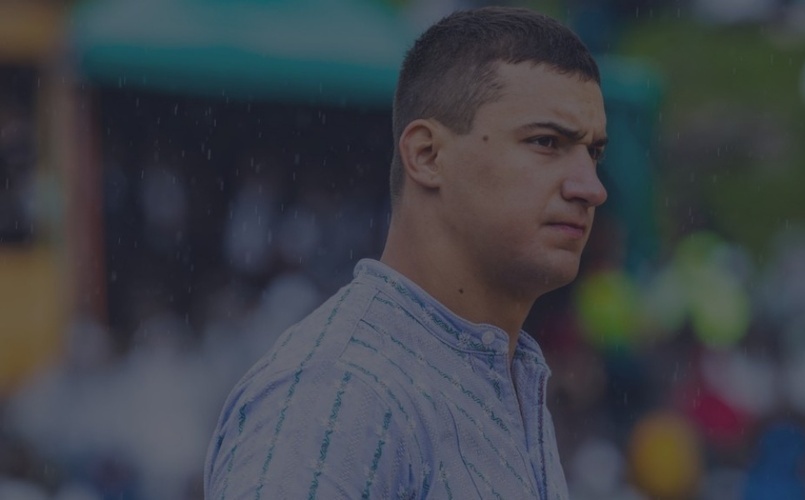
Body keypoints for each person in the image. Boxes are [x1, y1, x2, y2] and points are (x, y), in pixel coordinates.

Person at [204, 6, 608, 498]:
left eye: (593, 153)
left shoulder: (508, 377)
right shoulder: (343, 390)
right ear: (427, 155)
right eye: (546, 142)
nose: (591, 187)